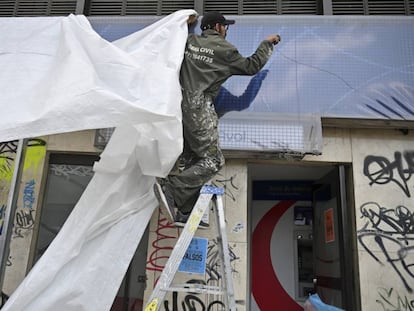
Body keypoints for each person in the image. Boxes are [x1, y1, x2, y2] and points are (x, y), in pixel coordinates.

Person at [155, 11, 280, 228]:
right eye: (225, 27)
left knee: (193, 158)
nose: (226, 31)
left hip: (177, 107)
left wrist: (184, 22)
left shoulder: (189, 41)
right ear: (217, 27)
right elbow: (251, 67)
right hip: (199, 107)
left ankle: (185, 211)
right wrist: (267, 44)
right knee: (214, 161)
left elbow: (167, 43)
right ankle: (172, 188)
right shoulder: (224, 50)